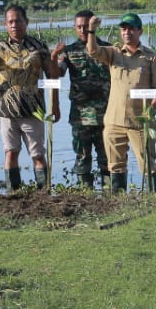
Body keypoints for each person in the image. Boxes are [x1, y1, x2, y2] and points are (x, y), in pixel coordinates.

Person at [0, 5, 60, 190]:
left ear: (26, 22)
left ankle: (43, 192)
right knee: (10, 152)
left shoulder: (38, 46)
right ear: (5, 24)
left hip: (33, 109)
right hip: (7, 110)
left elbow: (52, 76)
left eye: (18, 21)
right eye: (11, 22)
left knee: (37, 154)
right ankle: (14, 192)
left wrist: (55, 105)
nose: (15, 25)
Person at [85, 12, 156, 193]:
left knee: (147, 163)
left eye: (131, 29)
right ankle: (118, 202)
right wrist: (91, 29)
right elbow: (92, 51)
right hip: (114, 121)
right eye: (124, 29)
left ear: (140, 31)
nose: (127, 32)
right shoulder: (113, 53)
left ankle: (152, 200)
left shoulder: (150, 57)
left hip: (140, 122)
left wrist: (151, 109)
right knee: (115, 165)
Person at [52, 10, 111, 189]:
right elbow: (57, 73)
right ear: (75, 28)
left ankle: (111, 196)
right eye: (79, 27)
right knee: (82, 157)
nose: (83, 30)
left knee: (107, 157)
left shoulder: (108, 49)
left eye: (86, 26)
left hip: (106, 114)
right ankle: (86, 195)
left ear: (94, 26)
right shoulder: (69, 51)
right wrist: (54, 56)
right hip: (80, 115)